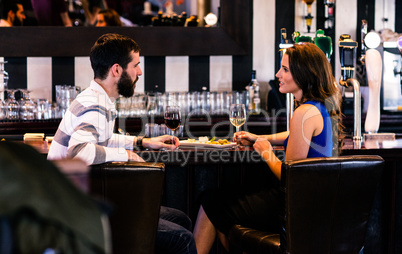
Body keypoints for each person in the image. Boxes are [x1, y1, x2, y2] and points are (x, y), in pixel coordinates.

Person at [47, 33, 197, 254]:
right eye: (135, 65)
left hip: (79, 199)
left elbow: (103, 140)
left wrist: (142, 142)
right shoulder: (94, 105)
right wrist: (126, 155)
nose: (140, 72)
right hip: (69, 209)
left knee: (180, 219)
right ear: (116, 70)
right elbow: (80, 152)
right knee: (182, 239)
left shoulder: (98, 100)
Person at [193, 42, 342, 253]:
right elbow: (294, 136)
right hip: (313, 204)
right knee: (219, 204)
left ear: (303, 74)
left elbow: (290, 176)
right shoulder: (319, 107)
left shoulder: (303, 113)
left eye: (285, 69)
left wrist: (266, 152)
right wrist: (261, 138)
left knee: (212, 201)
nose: (277, 74)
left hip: (292, 208)